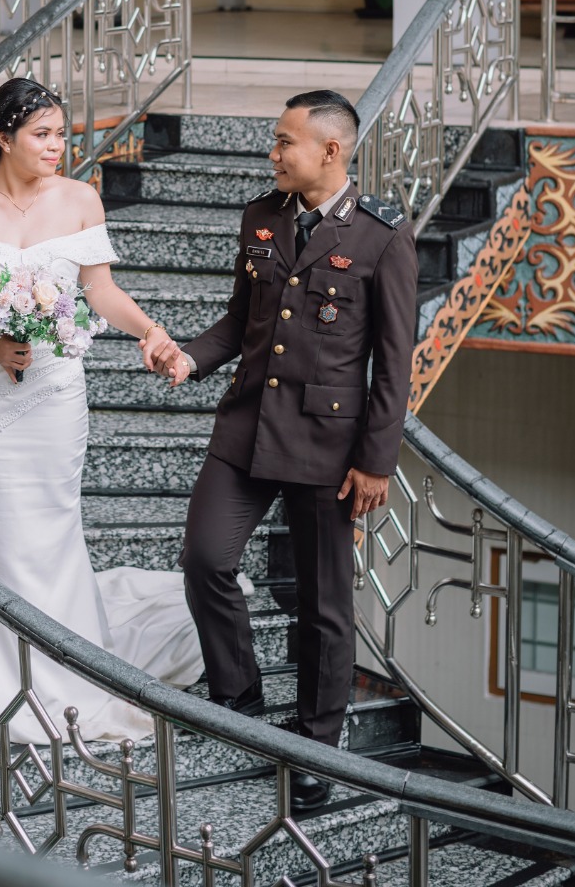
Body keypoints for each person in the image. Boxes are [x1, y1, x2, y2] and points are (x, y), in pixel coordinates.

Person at [0, 77, 209, 744]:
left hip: (55, 394)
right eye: (41, 134)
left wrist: (151, 331)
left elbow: (100, 291)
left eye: (61, 134)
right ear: (4, 137)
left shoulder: (80, 199)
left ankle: (68, 667)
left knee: (52, 525)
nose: (56, 146)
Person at [146, 89, 418, 813]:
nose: (272, 154)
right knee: (205, 559)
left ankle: (314, 748)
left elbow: (394, 364)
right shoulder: (262, 217)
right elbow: (241, 322)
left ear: (330, 150)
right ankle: (238, 702)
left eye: (284, 142)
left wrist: (377, 460)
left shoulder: (381, 237)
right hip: (246, 427)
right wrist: (189, 358)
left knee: (324, 606)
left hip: (328, 445)